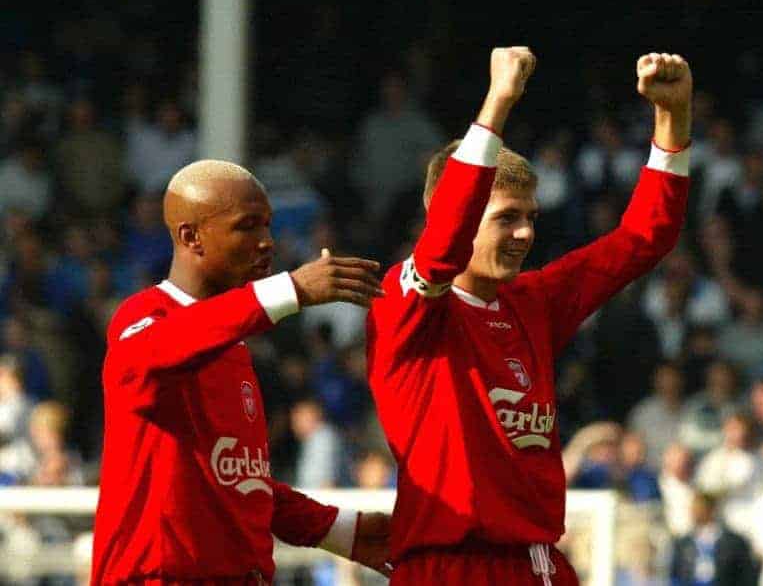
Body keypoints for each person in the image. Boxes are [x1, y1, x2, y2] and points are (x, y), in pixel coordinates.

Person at [367, 47, 692, 584]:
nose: (525, 233)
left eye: (531, 218)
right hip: (449, 567)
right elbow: (443, 246)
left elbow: (642, 239)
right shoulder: (406, 306)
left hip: (538, 562)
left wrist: (672, 119)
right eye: (506, 218)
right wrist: (498, 102)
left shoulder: (533, 302)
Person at [92, 160, 390, 584]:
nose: (266, 242)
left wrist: (344, 531)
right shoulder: (143, 318)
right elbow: (150, 355)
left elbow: (239, 483)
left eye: (267, 226)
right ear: (191, 236)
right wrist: (289, 290)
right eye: (247, 226)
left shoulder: (235, 344)